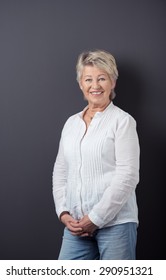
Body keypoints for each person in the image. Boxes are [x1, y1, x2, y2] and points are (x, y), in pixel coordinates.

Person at [52, 49, 140, 260]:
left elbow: (128, 176)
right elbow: (61, 171)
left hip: (117, 224)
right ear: (81, 84)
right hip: (75, 225)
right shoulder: (71, 123)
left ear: (113, 82)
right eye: (88, 79)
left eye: (102, 78)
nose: (95, 86)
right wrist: (63, 213)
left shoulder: (123, 121)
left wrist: (96, 218)